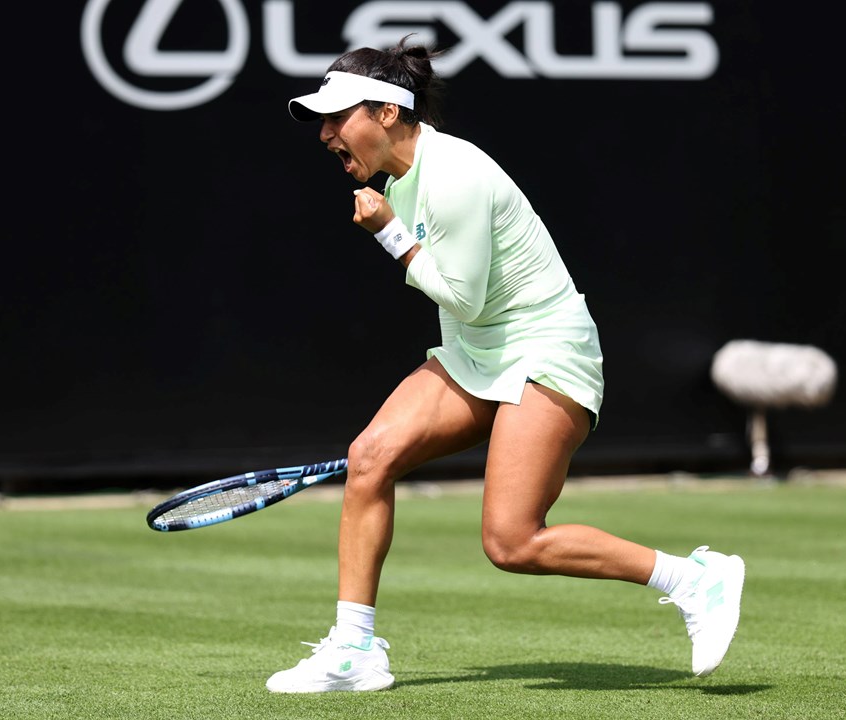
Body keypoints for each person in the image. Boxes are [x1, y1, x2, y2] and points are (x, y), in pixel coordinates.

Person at [266, 38, 745, 694]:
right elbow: (465, 305)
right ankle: (354, 651)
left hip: (546, 350)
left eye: (336, 117)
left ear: (385, 112)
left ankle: (694, 579)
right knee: (371, 457)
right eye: (320, 121)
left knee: (512, 543)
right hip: (477, 353)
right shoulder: (400, 181)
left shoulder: (453, 174)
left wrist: (389, 234)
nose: (324, 134)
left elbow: (460, 294)